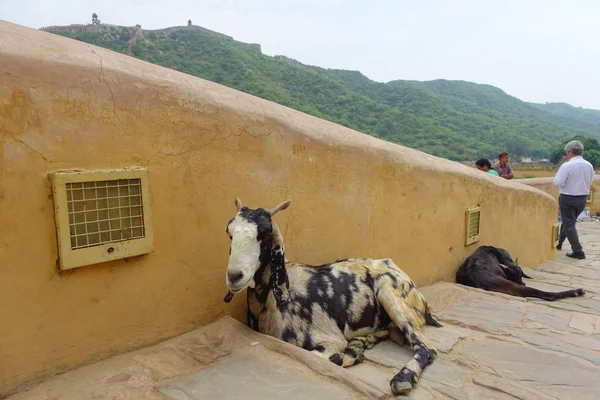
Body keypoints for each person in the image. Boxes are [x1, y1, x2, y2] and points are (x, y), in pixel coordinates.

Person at [553, 140, 594, 259]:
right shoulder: (589, 165)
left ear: (570, 152)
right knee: (569, 222)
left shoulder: (566, 166)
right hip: (582, 198)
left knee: (569, 224)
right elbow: (590, 181)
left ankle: (578, 250)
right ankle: (559, 243)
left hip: (568, 198)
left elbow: (558, 182)